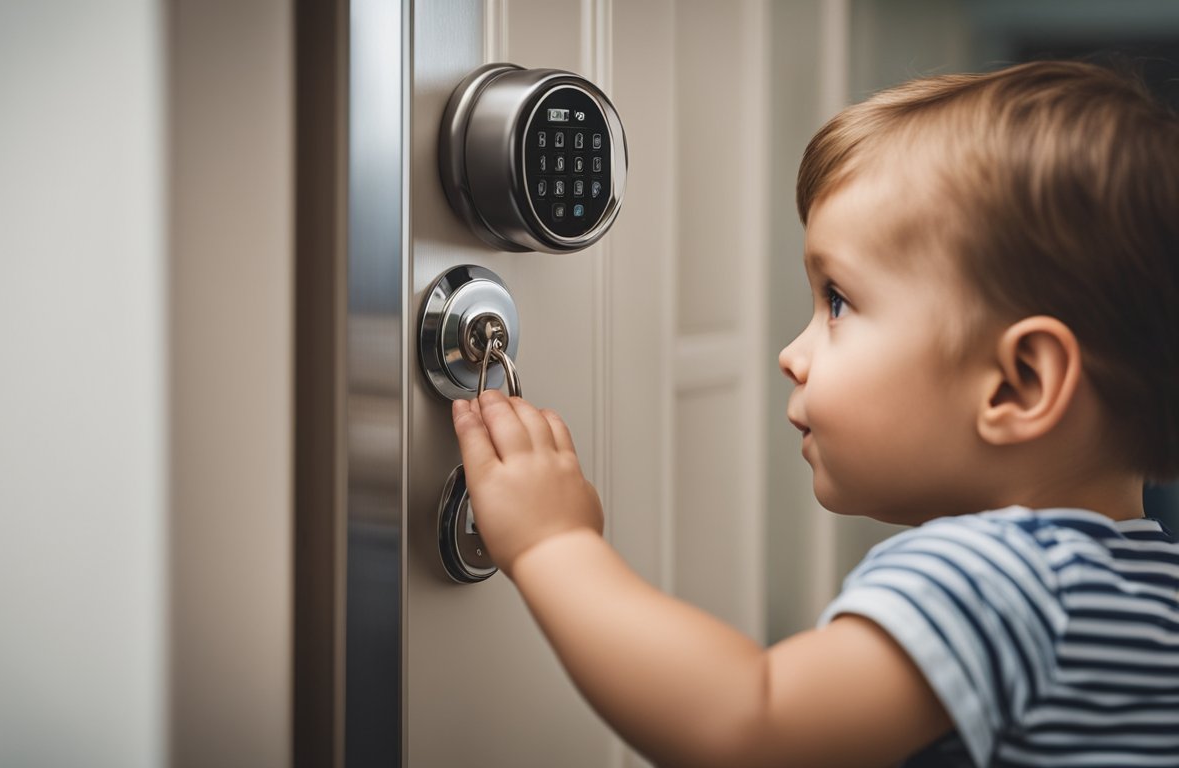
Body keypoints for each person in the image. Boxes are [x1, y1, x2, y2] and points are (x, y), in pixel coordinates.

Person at [450, 60, 1179, 767]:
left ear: (1018, 384)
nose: (791, 355)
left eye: (838, 301)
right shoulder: (1149, 589)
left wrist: (552, 543)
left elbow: (751, 725)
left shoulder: (1004, 577)